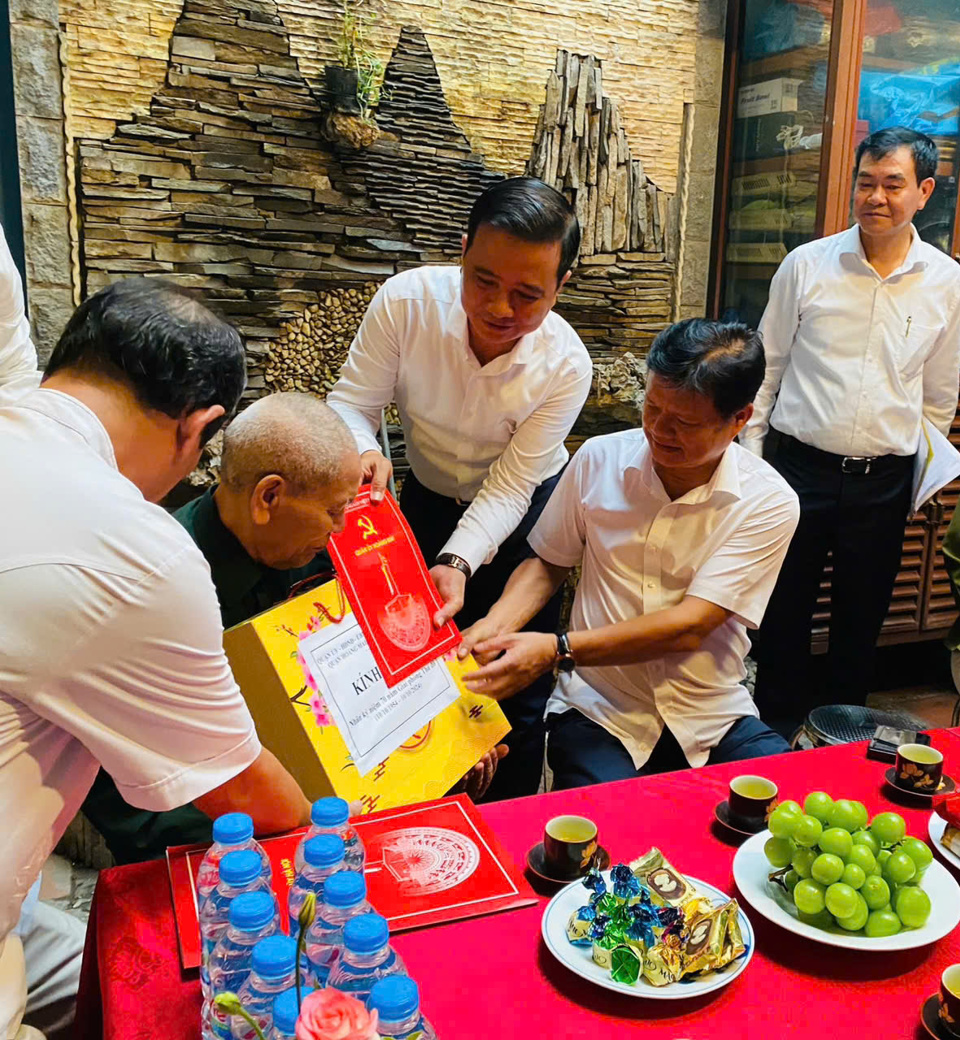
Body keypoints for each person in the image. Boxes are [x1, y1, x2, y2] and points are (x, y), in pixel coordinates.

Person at [0, 278, 314, 1038]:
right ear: (199, 428)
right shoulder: (138, 548)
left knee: (96, 973)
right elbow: (253, 800)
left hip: (24, 900)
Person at [81, 392, 506, 864]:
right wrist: (286, 828)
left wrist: (450, 748)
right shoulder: (154, 587)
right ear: (269, 497)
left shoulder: (328, 551)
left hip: (352, 825)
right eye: (332, 511)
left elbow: (391, 668)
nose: (344, 527)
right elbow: (120, 795)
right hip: (227, 855)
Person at [328, 176, 593, 799]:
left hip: (527, 510)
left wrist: (457, 560)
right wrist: (366, 448)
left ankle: (508, 824)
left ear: (561, 286)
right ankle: (414, 808)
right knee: (411, 669)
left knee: (508, 679)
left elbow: (510, 488)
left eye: (528, 295)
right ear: (464, 248)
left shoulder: (565, 365)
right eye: (483, 280)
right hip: (423, 495)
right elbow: (352, 402)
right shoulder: (406, 302)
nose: (500, 309)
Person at [458, 319, 799, 790]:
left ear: (740, 418)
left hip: (710, 711)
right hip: (600, 707)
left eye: (683, 422)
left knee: (792, 803)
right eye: (653, 407)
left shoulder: (768, 501)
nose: (659, 430)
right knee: (604, 837)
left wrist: (556, 651)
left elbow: (690, 625)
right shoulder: (599, 459)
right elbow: (548, 562)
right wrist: (495, 627)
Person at [742, 126, 960, 737]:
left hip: (884, 482)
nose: (875, 197)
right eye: (865, 182)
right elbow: (766, 372)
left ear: (923, 191)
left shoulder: (946, 282)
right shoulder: (806, 265)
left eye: (892, 184)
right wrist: (757, 468)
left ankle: (840, 741)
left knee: (859, 623)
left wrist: (918, 485)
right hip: (798, 470)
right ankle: (772, 735)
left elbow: (939, 396)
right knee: (783, 613)